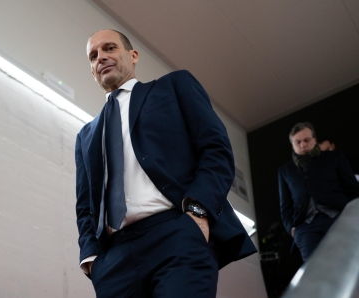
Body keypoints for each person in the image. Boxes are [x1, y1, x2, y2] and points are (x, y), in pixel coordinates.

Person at [74, 29, 256, 298]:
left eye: (110, 48)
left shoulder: (173, 86)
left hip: (177, 232)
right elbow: (85, 205)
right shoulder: (85, 136)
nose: (101, 57)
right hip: (114, 259)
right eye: (93, 56)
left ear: (133, 55)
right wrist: (91, 257)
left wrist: (198, 211)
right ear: (91, 70)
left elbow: (215, 150)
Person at [278, 123, 359, 262]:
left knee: (347, 261)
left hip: (337, 217)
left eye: (306, 140)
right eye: (298, 142)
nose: (302, 145)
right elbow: (285, 205)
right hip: (305, 227)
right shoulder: (285, 170)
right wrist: (292, 229)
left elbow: (352, 188)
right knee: (314, 269)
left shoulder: (333, 157)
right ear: (292, 144)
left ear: (314, 139)